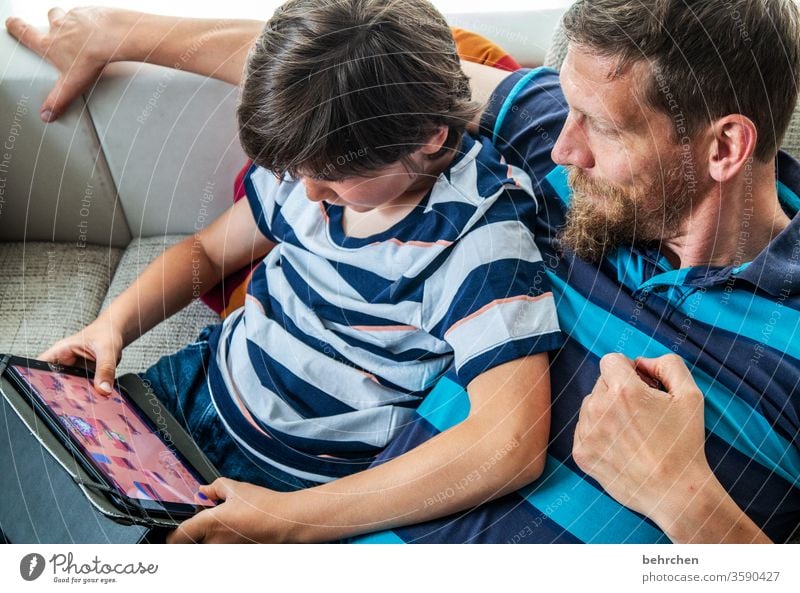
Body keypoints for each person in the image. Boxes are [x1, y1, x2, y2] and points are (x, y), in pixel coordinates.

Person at [7, 0, 800, 543]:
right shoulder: (542, 134)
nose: (559, 149)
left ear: (723, 148)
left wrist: (686, 497)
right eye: (566, 110)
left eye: (597, 127)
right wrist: (119, 30)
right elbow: (354, 81)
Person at [21, 0, 561, 543]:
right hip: (188, 386)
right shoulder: (310, 159)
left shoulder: (481, 239)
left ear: (429, 137)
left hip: (294, 478)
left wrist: (291, 521)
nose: (306, 194)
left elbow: (509, 444)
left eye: (330, 177)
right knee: (31, 477)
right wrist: (112, 326)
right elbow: (206, 256)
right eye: (293, 172)